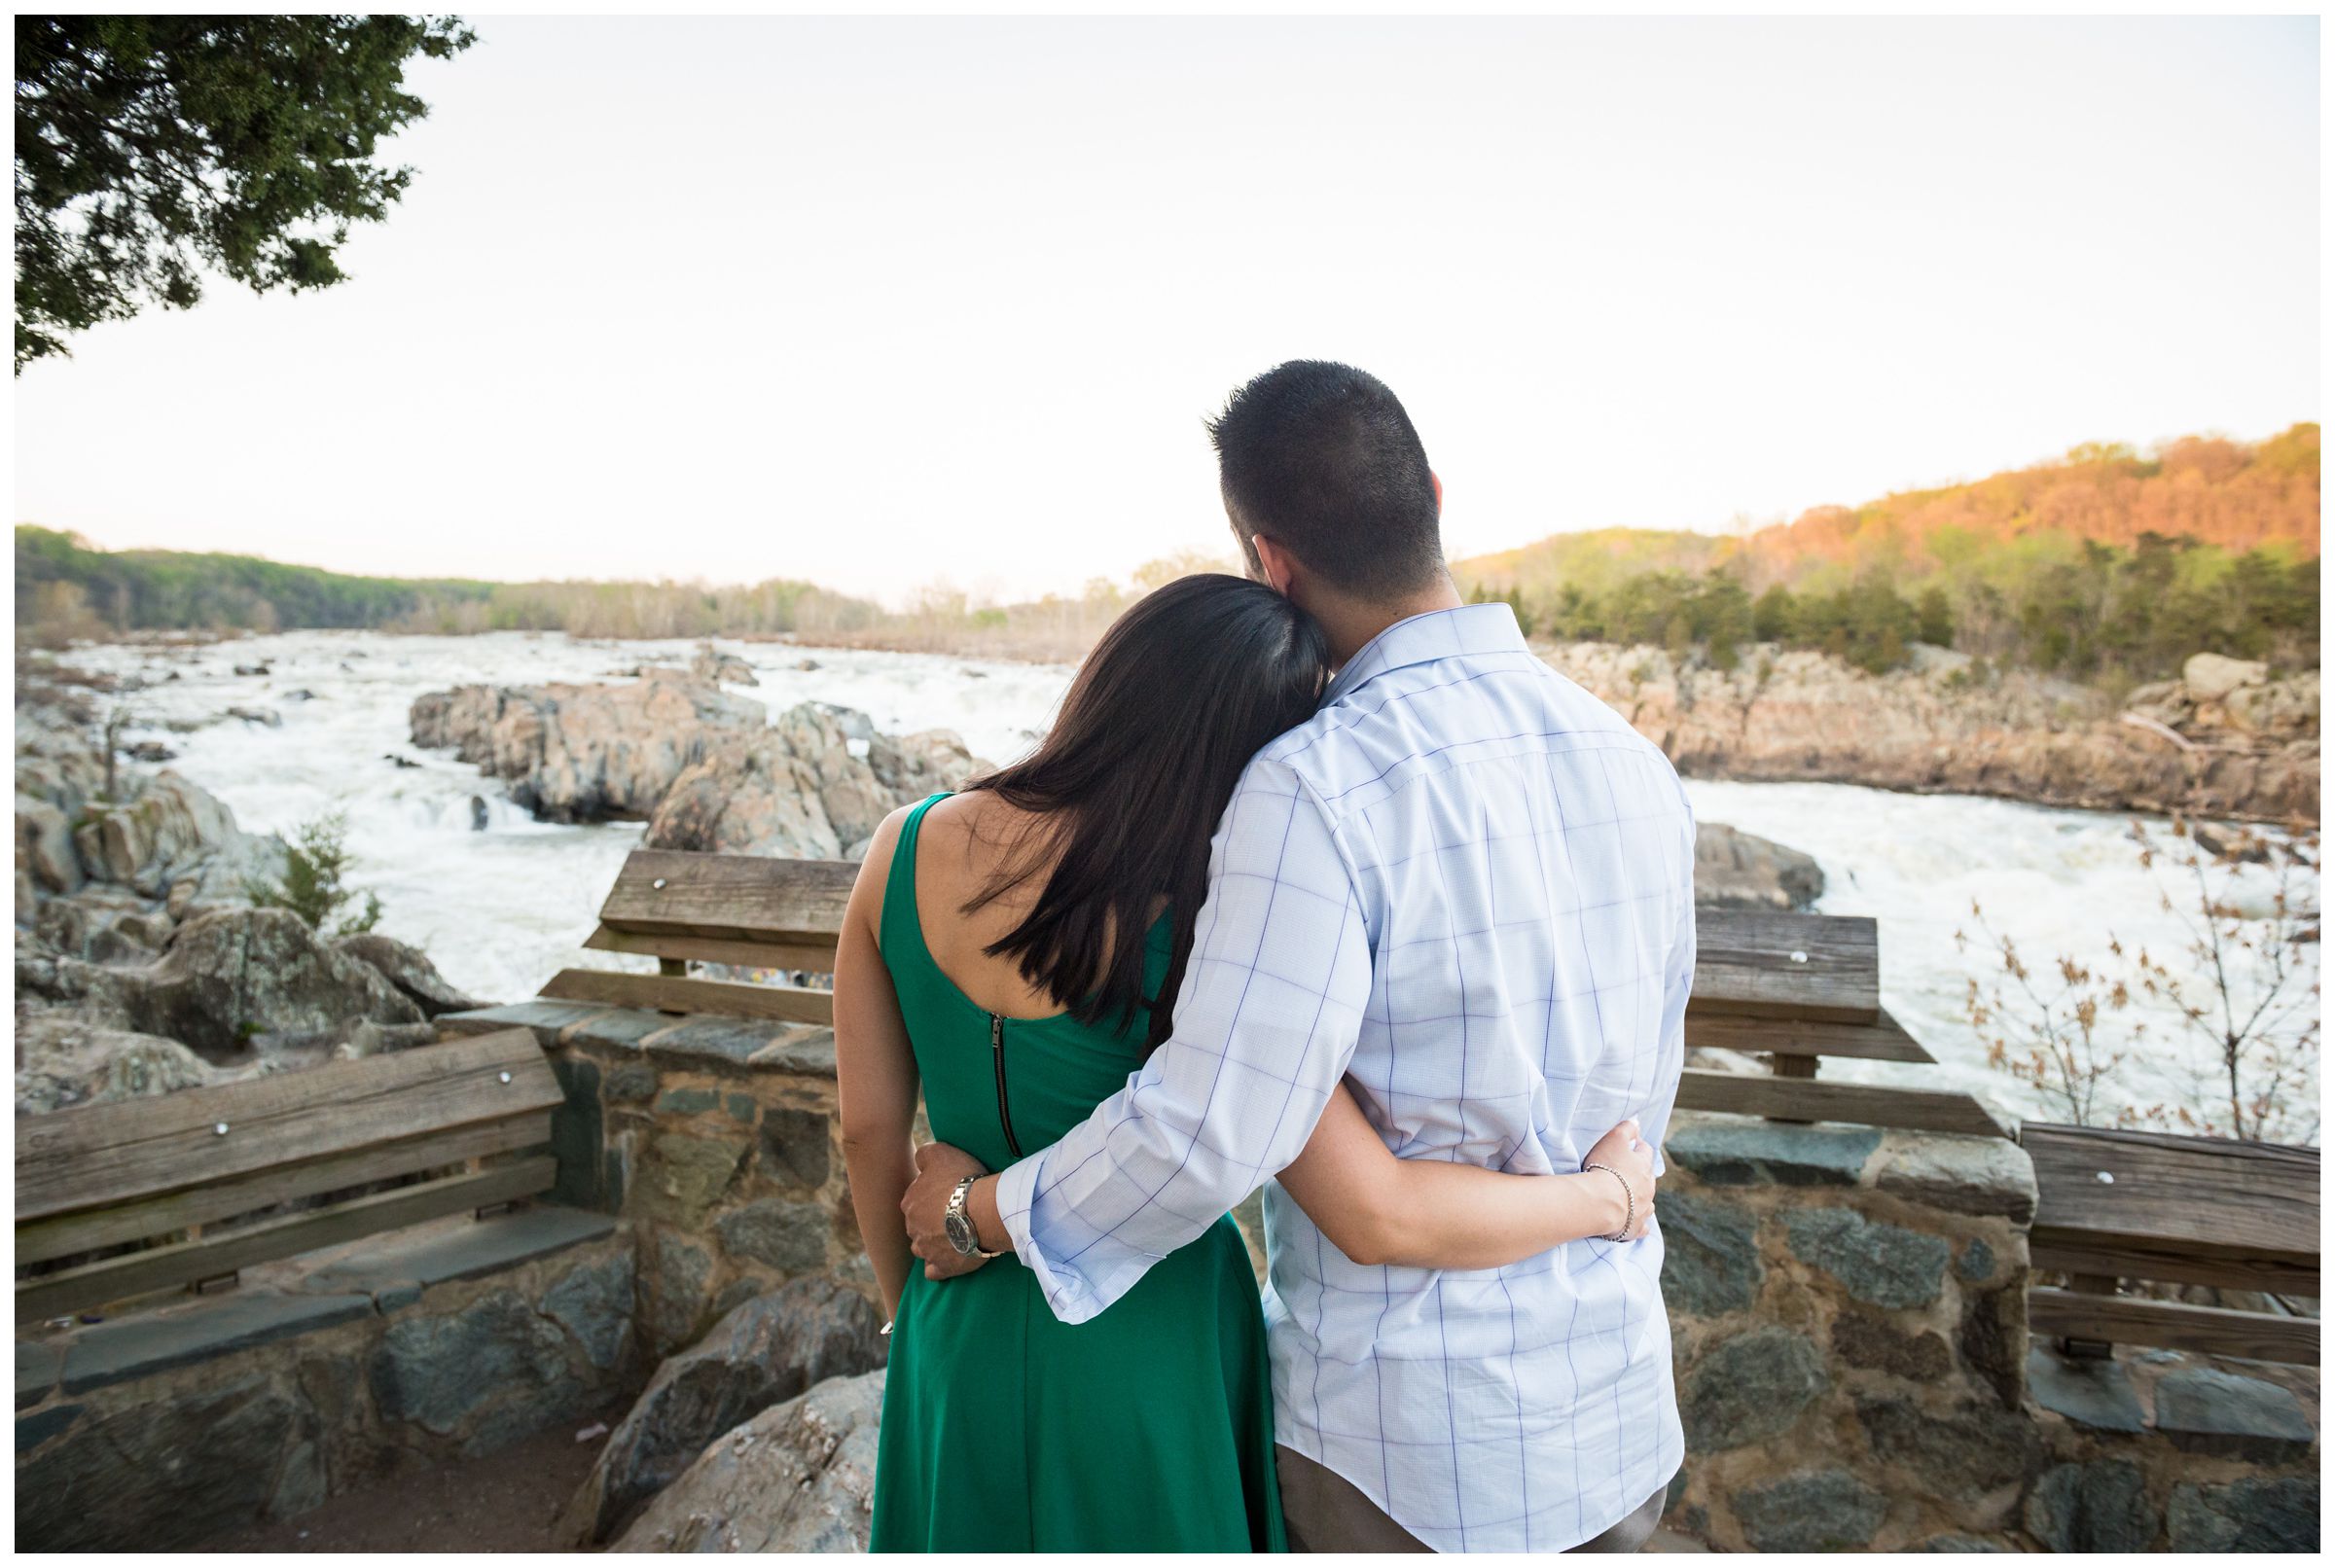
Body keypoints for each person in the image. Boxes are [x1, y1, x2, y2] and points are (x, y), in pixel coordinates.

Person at [904, 361, 1695, 1553]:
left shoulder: (1315, 788)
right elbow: (1641, 1109)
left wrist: (978, 1211)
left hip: (1411, 1454)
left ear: (1269, 563)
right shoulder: (1637, 766)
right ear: (1432, 492)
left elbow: (1210, 1123)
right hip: (1616, 1419)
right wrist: (1601, 1200)